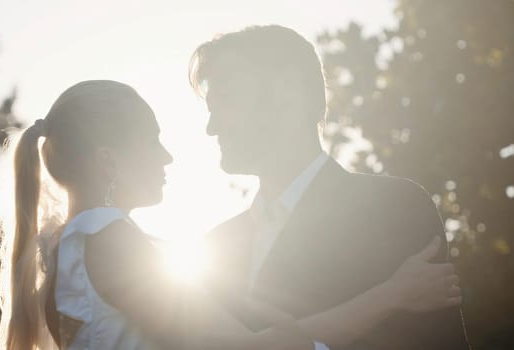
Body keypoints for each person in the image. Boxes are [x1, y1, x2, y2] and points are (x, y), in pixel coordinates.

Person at [0, 80, 461, 350]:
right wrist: (389, 297)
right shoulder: (112, 240)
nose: (167, 157)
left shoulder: (65, 245)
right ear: (109, 160)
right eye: (152, 140)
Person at [190, 25, 471, 349]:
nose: (212, 127)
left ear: (287, 91)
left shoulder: (393, 207)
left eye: (227, 98)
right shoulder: (217, 248)